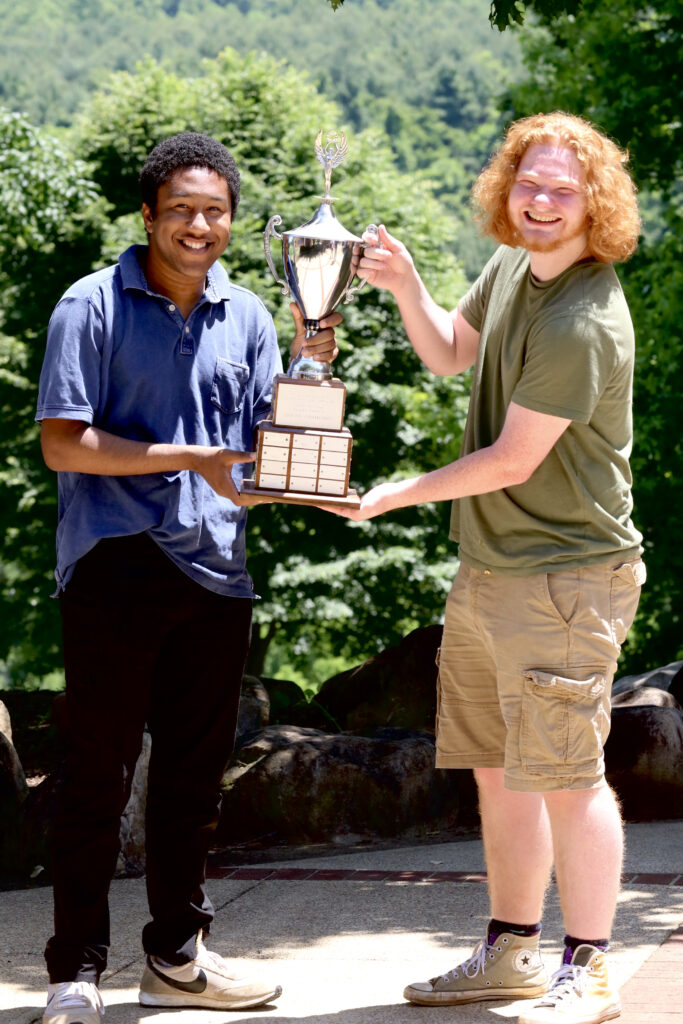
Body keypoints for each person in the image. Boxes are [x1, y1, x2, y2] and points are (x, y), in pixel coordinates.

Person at [329, 112, 645, 1024]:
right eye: (528, 183)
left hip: (565, 575)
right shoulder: (514, 264)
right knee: (499, 770)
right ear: (508, 188)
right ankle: (510, 951)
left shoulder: (584, 314)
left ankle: (588, 970)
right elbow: (448, 352)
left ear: (595, 204)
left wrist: (395, 493)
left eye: (562, 189)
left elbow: (512, 460)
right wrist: (404, 284)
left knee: (565, 775)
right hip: (491, 569)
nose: (541, 201)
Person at [35, 131, 340, 1024]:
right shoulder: (88, 305)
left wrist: (307, 361)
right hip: (113, 564)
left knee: (193, 784)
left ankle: (176, 957)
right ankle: (73, 973)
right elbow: (63, 442)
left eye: (214, 211)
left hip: (217, 570)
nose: (198, 224)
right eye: (181, 209)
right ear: (148, 216)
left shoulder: (246, 314)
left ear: (233, 222)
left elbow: (255, 449)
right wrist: (191, 458)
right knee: (96, 772)